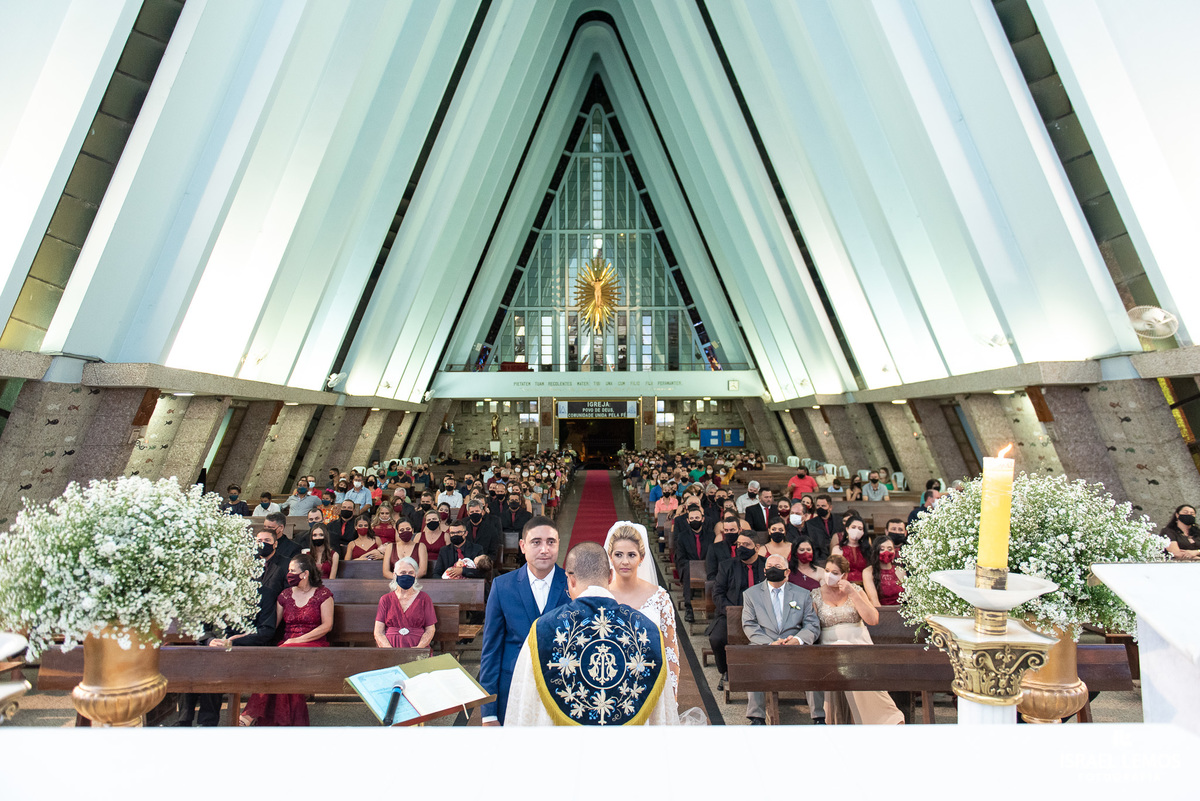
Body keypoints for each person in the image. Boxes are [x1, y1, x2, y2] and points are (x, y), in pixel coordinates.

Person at [504, 542, 677, 726]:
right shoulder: (647, 632)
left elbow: (523, 706)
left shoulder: (543, 631)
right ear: (611, 576)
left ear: (570, 579)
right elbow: (663, 716)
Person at [177, 528, 287, 726]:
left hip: (245, 649)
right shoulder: (216, 593)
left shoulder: (266, 594)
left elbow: (266, 631)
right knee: (191, 661)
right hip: (216, 646)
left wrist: (234, 640)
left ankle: (207, 722)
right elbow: (201, 626)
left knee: (214, 665)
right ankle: (183, 721)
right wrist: (210, 640)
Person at [479, 517, 570, 725]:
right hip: (513, 688)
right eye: (536, 542)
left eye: (551, 542)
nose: (544, 549)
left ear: (558, 544)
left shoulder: (572, 585)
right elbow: (491, 652)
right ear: (522, 546)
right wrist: (489, 712)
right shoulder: (502, 586)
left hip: (561, 691)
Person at [239, 554, 334, 726]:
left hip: (313, 643)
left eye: (292, 571)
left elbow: (326, 626)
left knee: (284, 657)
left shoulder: (323, 594)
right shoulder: (285, 595)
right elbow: (271, 625)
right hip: (287, 645)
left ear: (305, 573)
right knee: (280, 662)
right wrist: (246, 635)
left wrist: (297, 641)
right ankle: (286, 722)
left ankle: (251, 714)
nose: (288, 574)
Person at [811, 555, 904, 725]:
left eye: (835, 572)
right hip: (830, 650)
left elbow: (873, 619)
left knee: (852, 658)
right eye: (827, 571)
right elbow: (812, 627)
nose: (829, 575)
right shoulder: (815, 595)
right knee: (842, 650)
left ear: (844, 576)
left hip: (859, 646)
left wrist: (852, 593)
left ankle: (886, 717)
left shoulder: (856, 590)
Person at [740, 554, 820, 724]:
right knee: (752, 657)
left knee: (814, 661)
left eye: (777, 566)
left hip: (795, 647)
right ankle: (756, 717)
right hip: (765, 646)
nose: (773, 569)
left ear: (787, 572)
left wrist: (798, 640)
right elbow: (749, 625)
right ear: (764, 571)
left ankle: (819, 717)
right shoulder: (751, 595)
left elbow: (812, 624)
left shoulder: (802, 594)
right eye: (769, 567)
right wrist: (769, 643)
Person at [607, 523, 680, 704]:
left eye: (631, 555)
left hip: (651, 685)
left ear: (642, 558)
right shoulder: (602, 595)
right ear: (610, 557)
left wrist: (671, 696)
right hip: (610, 685)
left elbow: (670, 650)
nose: (625, 561)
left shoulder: (659, 597)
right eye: (618, 555)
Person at [707, 531, 764, 691]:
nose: (741, 548)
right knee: (717, 638)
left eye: (746, 545)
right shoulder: (727, 566)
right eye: (739, 544)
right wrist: (730, 611)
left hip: (761, 615)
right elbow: (717, 593)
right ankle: (726, 670)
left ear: (757, 547)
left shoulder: (766, 565)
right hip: (731, 613)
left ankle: (765, 672)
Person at [373, 557, 437, 648]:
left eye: (411, 573)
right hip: (390, 649)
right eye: (403, 573)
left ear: (415, 575)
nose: (407, 575)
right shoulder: (385, 599)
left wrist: (419, 648)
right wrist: (389, 651)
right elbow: (378, 632)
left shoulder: (424, 598)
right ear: (395, 575)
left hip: (417, 648)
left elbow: (430, 629)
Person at [673, 505, 711, 624]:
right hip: (689, 565)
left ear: (702, 519)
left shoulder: (711, 535)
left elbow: (712, 554)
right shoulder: (682, 536)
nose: (695, 520)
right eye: (692, 518)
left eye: (697, 518)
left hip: (706, 565)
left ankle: (712, 606)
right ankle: (689, 607)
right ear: (688, 521)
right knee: (689, 570)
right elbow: (681, 557)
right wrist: (694, 566)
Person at [863, 538, 905, 606]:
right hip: (881, 612)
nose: (886, 552)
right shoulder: (868, 572)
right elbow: (873, 600)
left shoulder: (900, 570)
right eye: (882, 549)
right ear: (875, 551)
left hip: (901, 611)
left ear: (894, 551)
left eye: (890, 549)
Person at [831, 515, 870, 584]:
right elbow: (834, 572)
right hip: (844, 585)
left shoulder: (867, 549)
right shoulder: (838, 549)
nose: (856, 530)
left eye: (860, 528)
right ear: (847, 529)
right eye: (853, 527)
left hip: (865, 585)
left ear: (863, 532)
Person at [803, 494, 842, 563]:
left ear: (830, 507)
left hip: (838, 556)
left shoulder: (839, 521)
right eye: (818, 506)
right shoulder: (810, 524)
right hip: (819, 558)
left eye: (823, 506)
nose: (820, 508)